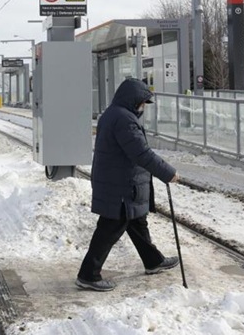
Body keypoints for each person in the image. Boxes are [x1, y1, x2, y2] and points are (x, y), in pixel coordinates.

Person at [76, 77, 180, 292]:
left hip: (118, 181)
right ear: (134, 100)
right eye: (142, 103)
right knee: (110, 228)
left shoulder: (113, 114)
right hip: (122, 185)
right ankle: (88, 274)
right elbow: (141, 153)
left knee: (137, 222)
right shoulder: (124, 120)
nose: (143, 107)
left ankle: (153, 261)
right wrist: (168, 173)